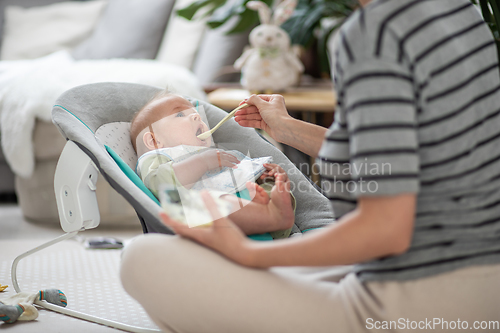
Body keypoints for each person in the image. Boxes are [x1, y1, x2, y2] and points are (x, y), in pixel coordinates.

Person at [121, 0, 500, 332]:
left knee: (140, 260)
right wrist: (287, 130)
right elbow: (397, 160)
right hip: (479, 287)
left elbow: (387, 229)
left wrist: (250, 252)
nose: (196, 119)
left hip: (418, 299)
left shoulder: (375, 33)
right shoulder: (460, 11)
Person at [130, 90, 296, 238]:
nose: (196, 116)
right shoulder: (157, 157)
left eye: (195, 113)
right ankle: (271, 217)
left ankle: (271, 210)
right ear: (154, 140)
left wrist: (264, 176)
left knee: (275, 188)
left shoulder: (215, 153)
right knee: (213, 202)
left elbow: (237, 172)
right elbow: (159, 182)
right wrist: (203, 162)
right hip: (206, 217)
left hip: (248, 200)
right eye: (180, 115)